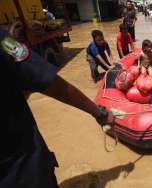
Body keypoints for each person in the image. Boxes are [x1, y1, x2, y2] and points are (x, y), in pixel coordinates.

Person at [0, 29, 115, 188]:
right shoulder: (4, 41)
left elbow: (108, 54)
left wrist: (111, 63)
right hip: (23, 168)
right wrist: (99, 112)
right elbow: (50, 83)